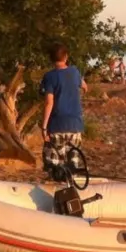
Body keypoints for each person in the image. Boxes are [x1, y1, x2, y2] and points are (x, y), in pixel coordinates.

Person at [40, 43, 88, 175]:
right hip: (75, 124)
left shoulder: (49, 77)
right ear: (66, 57)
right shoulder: (75, 72)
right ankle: (71, 182)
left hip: (57, 125)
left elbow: (49, 102)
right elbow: (84, 86)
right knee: (73, 162)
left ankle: (59, 182)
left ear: (51, 59)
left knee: (54, 166)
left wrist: (44, 127)